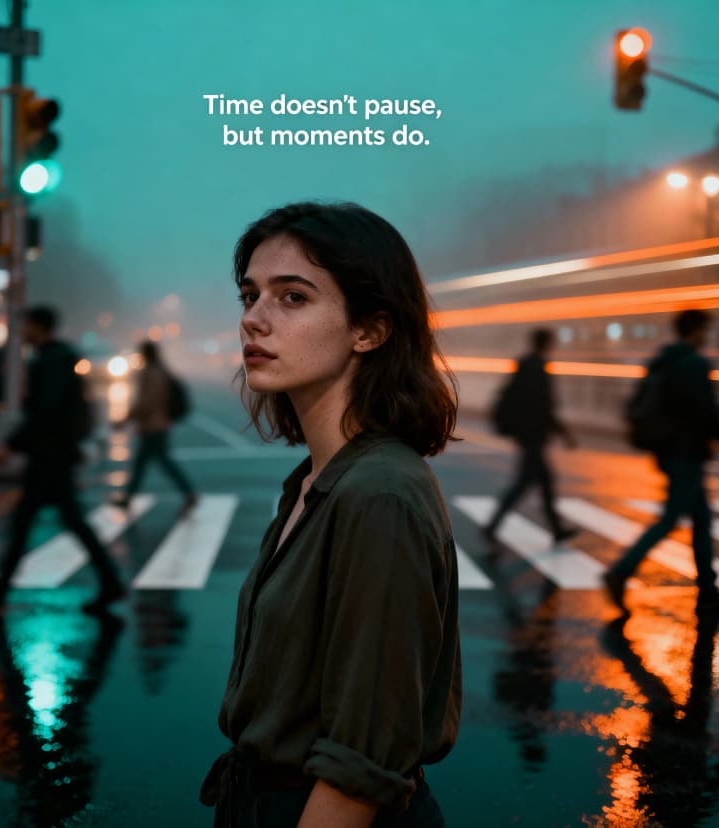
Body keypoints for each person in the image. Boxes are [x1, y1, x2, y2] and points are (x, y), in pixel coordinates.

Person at [199, 202, 462, 828]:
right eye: (249, 296)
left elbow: (360, 768)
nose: (254, 320)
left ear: (369, 330)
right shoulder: (318, 481)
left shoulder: (379, 496)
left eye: (292, 298)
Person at [0, 306, 126, 614]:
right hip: (52, 456)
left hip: (50, 457)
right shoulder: (56, 357)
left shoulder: (52, 360)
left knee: (42, 524)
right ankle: (109, 583)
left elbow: (45, 412)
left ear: (40, 327)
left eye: (27, 326)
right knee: (49, 523)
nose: (23, 332)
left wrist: (10, 444)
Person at [603, 309, 719, 616]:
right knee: (671, 519)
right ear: (696, 330)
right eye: (705, 329)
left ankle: (708, 591)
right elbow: (708, 411)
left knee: (702, 520)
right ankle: (621, 572)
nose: (706, 335)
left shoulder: (664, 360)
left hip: (670, 451)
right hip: (686, 452)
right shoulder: (693, 364)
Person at [483, 328, 577, 544]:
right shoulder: (538, 368)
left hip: (526, 433)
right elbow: (543, 407)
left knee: (543, 482)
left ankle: (555, 528)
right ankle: (493, 525)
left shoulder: (525, 364)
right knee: (526, 483)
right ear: (547, 343)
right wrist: (564, 433)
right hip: (533, 435)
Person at [113, 340, 196, 513]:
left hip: (153, 426)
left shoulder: (149, 373)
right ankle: (188, 493)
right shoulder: (161, 370)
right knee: (149, 463)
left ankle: (189, 493)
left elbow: (146, 402)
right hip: (159, 424)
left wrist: (126, 418)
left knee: (153, 463)